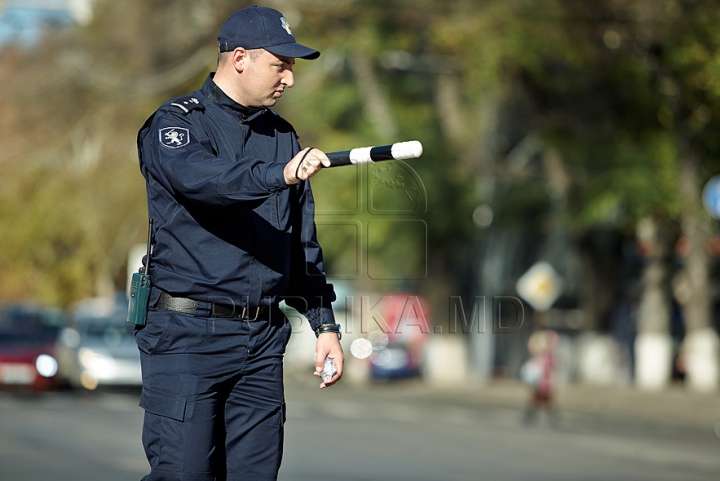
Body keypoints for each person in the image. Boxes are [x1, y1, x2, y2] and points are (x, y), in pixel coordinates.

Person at [134, 6, 343, 481]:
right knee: (183, 475)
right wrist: (279, 174)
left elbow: (299, 242)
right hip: (188, 336)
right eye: (282, 65)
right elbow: (206, 181)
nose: (289, 79)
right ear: (241, 58)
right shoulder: (177, 124)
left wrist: (324, 324)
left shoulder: (282, 137)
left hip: (263, 340)